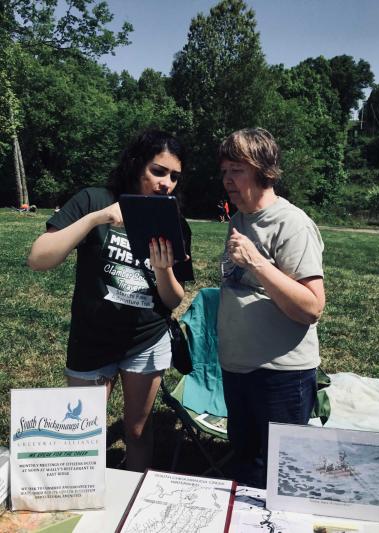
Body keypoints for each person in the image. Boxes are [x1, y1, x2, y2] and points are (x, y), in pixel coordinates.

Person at [28, 129, 194, 472]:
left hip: (145, 340)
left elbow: (173, 298)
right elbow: (39, 258)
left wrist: (163, 270)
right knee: (80, 433)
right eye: (158, 171)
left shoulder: (172, 220)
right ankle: (82, 503)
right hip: (92, 339)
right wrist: (96, 219)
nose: (166, 183)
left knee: (137, 431)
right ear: (136, 166)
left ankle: (130, 504)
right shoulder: (94, 199)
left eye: (174, 176)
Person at [217, 128, 325, 488]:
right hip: (239, 371)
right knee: (247, 467)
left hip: (280, 377)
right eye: (225, 170)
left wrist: (258, 264)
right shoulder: (239, 220)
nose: (227, 179)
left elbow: (311, 307)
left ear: (263, 170)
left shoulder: (293, 225)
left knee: (284, 479)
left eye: (237, 169)